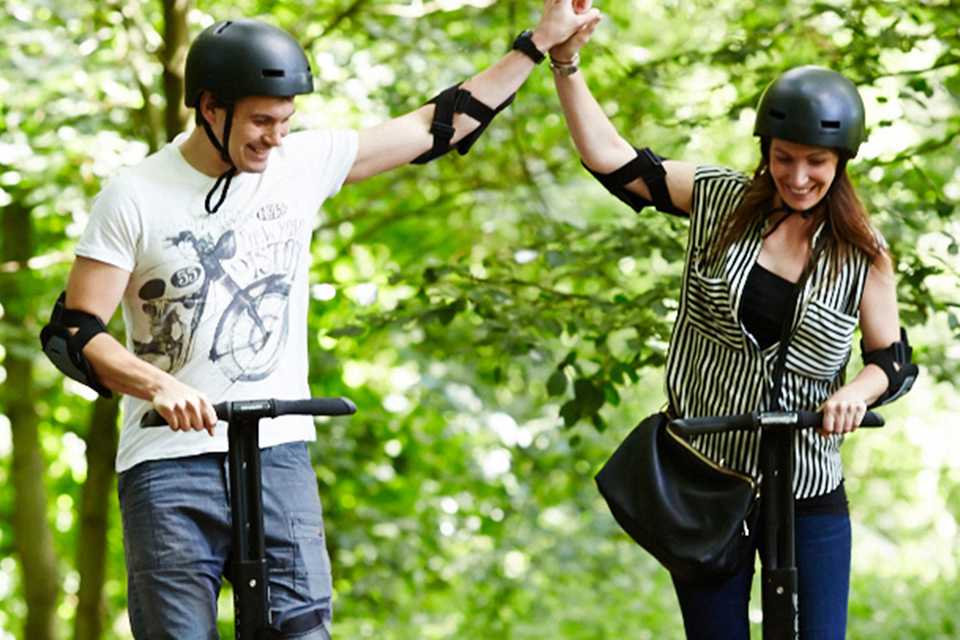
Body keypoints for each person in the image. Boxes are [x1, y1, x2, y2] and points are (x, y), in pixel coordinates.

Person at [38, 3, 599, 638]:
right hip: (169, 462)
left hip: (278, 453)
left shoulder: (298, 164)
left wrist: (536, 44)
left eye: (285, 122)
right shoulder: (134, 195)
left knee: (302, 629)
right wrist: (158, 386)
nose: (274, 138)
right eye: (260, 122)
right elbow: (74, 332)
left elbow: (439, 124)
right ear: (210, 107)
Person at [546, 16, 918, 640]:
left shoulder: (861, 251)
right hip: (704, 473)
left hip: (806, 481)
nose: (798, 177)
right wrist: (565, 64)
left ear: (842, 161)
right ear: (766, 151)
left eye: (816, 163)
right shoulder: (717, 200)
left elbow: (893, 359)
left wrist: (858, 391)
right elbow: (611, 161)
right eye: (784, 159)